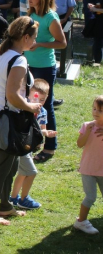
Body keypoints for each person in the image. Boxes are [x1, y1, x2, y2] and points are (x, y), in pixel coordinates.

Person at [0, 16, 42, 225]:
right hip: (4, 117)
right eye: (34, 38)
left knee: (10, 164)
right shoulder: (19, 59)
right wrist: (31, 106)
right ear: (25, 37)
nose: (35, 42)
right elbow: (13, 95)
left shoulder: (2, 51)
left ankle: (5, 206)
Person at [23, 0, 67, 163]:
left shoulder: (51, 17)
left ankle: (50, 146)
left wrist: (40, 44)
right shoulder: (30, 14)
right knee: (29, 103)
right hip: (28, 65)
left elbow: (62, 43)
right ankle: (32, 140)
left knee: (45, 105)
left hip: (44, 67)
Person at [10, 78, 57, 210]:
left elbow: (41, 129)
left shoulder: (43, 112)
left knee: (23, 173)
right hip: (21, 146)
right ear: (28, 95)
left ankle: (13, 198)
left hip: (29, 147)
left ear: (47, 98)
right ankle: (24, 199)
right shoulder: (23, 108)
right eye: (35, 98)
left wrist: (47, 133)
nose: (38, 102)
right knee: (31, 172)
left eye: (42, 99)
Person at [73, 95, 103, 234]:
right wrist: (88, 132)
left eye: (100, 110)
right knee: (90, 197)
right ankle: (81, 222)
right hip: (88, 169)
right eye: (94, 108)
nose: (95, 112)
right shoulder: (87, 125)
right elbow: (80, 144)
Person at [87, 0, 103, 65]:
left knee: (98, 42)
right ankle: (97, 60)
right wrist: (93, 6)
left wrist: (95, 9)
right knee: (97, 41)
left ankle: (98, 61)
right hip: (99, 21)